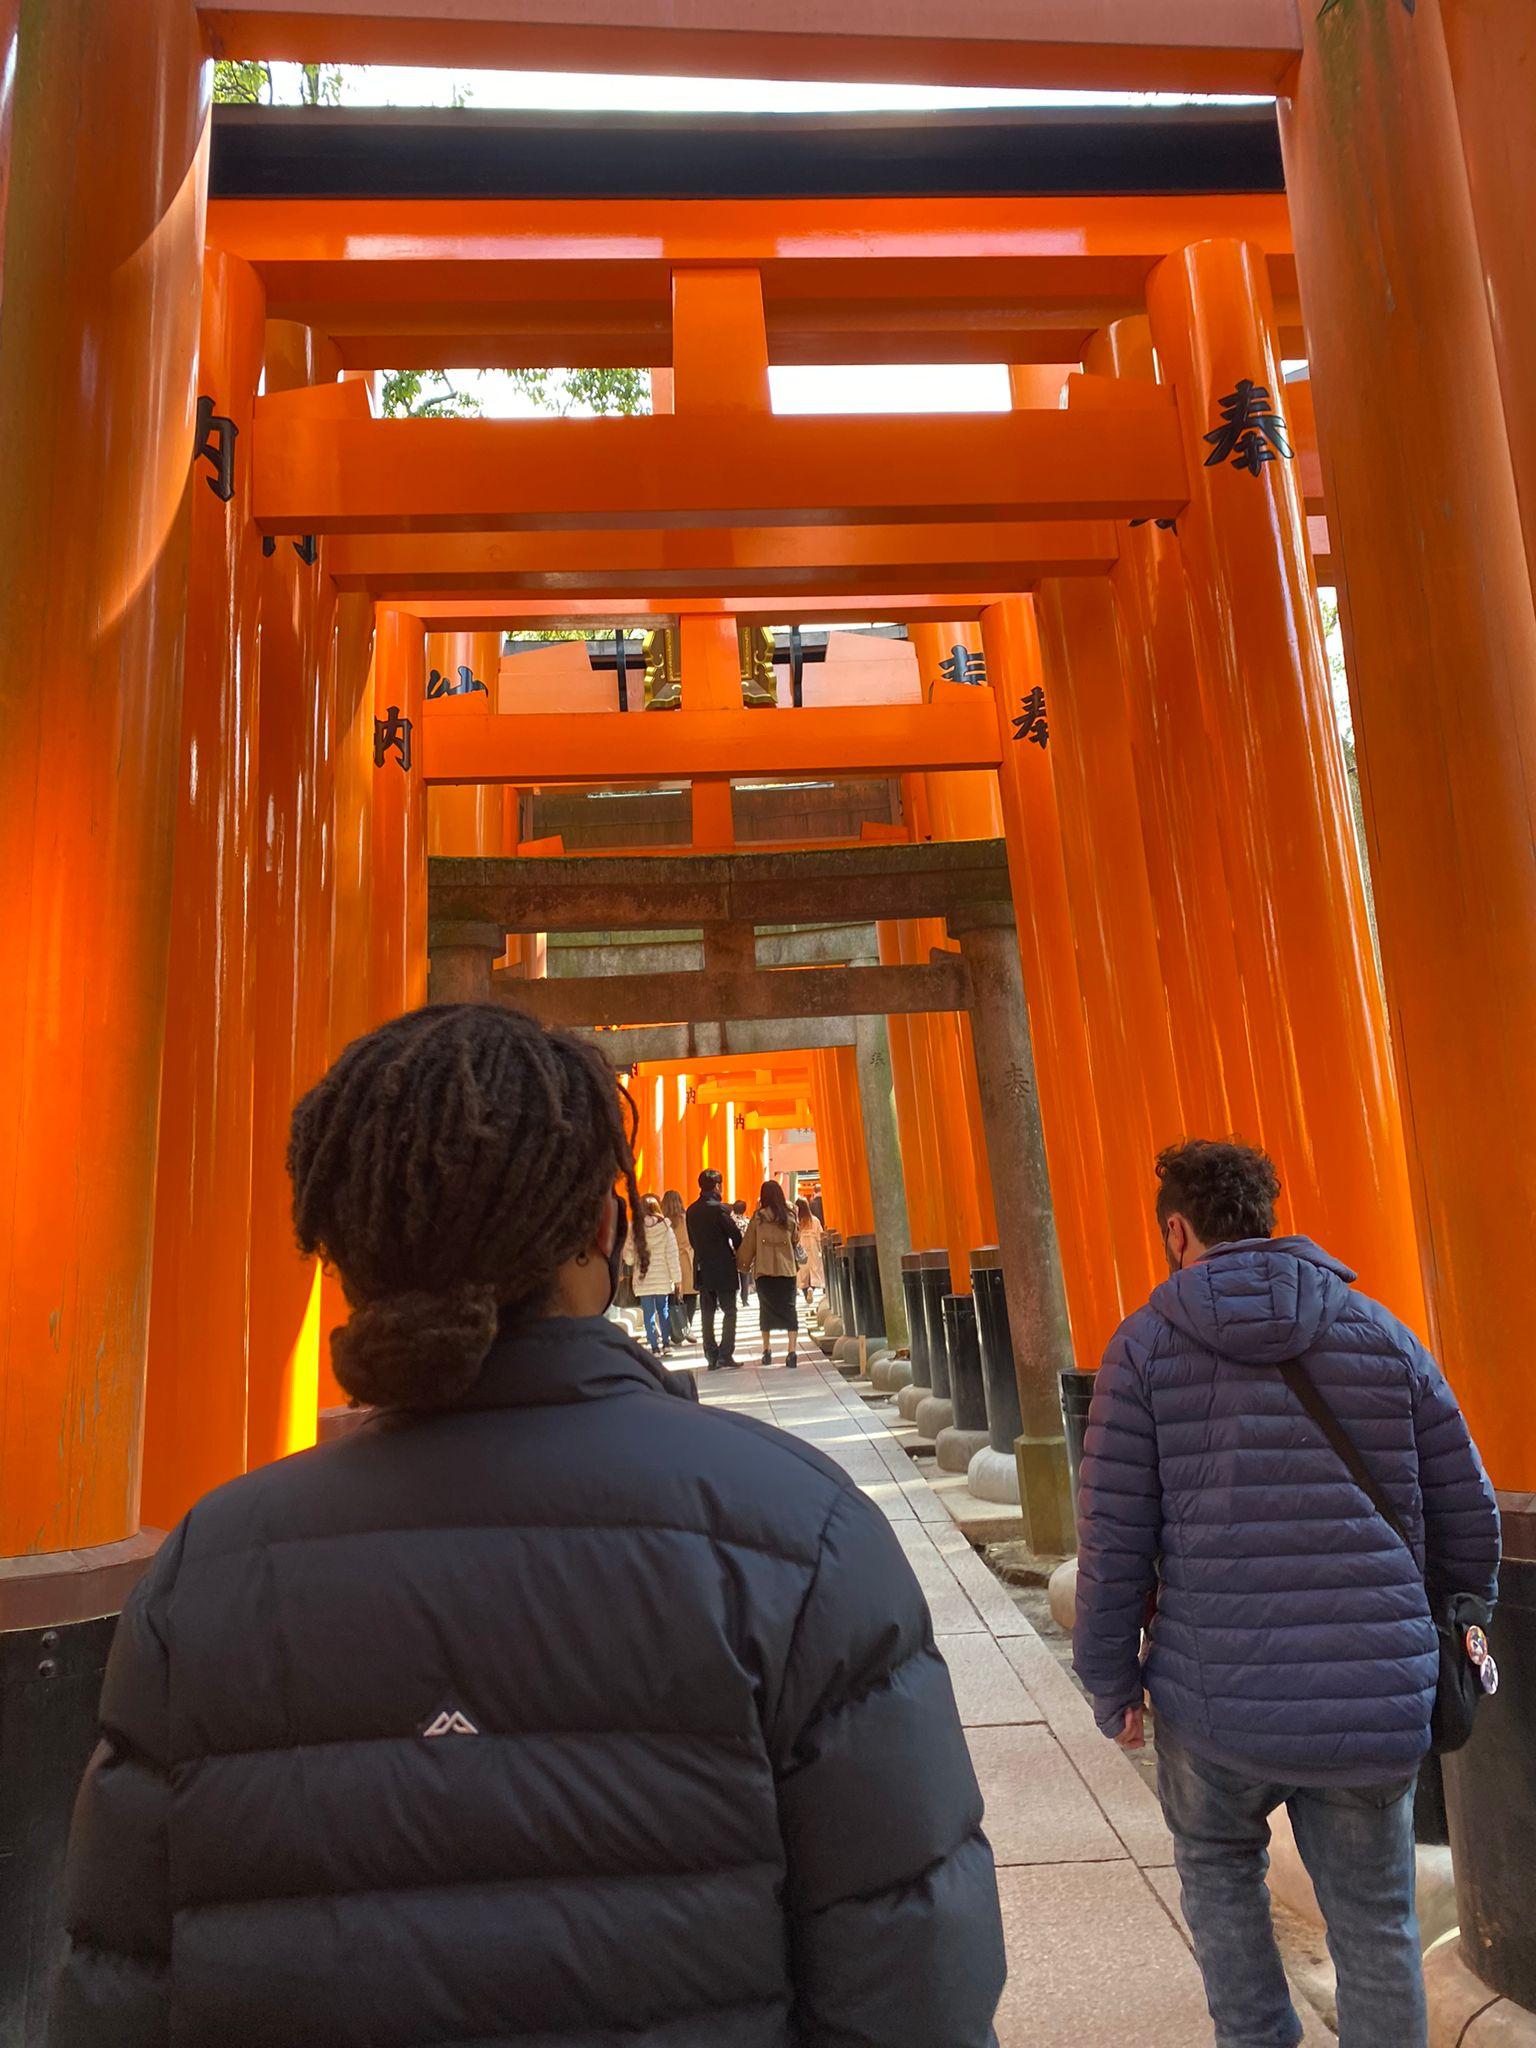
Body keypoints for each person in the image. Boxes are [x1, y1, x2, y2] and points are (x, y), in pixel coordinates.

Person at [52, 1005, 1007, 2048]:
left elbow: (121, 1980)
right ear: (604, 1229)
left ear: (341, 1248)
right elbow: (909, 1969)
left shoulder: (205, 1573)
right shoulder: (797, 1535)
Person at [1073, 1140, 1500, 2048]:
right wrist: (1456, 1622)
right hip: (1369, 1692)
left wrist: (1112, 1684)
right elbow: (1471, 1516)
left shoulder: (1142, 1351)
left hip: (1216, 1692)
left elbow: (1114, 1542)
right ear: (1267, 1219)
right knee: (1377, 1928)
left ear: (1177, 1229)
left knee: (1222, 1885)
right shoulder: (1381, 1334)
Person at [738, 1181, 803, 1370]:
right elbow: (795, 1239)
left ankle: (767, 1350)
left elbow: (749, 1242)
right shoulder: (789, 1217)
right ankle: (791, 1352)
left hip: (764, 1271)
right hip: (786, 1269)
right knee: (790, 1309)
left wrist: (742, 1264)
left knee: (766, 1310)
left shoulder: (758, 1218)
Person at [686, 1168, 743, 1371]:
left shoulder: (691, 1211)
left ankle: (710, 1354)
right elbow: (735, 1235)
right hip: (723, 1266)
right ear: (718, 1185)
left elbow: (692, 1240)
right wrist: (737, 1252)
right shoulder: (719, 1209)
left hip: (702, 1266)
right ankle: (725, 1354)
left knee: (707, 1312)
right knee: (729, 1310)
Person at [627, 1191, 682, 1356]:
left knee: (648, 1314)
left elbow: (629, 1258)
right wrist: (677, 1279)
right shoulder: (666, 1228)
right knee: (663, 1311)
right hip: (662, 1278)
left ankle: (654, 1348)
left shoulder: (635, 1230)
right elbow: (672, 1256)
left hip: (643, 1278)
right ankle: (666, 1344)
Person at [662, 1186, 696, 1338]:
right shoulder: (687, 1217)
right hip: (686, 1259)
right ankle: (687, 1325)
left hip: (668, 1260)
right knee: (690, 1295)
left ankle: (674, 1329)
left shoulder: (662, 1221)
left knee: (671, 1296)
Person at [796, 1193, 825, 1303]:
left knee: (803, 1272)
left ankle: (805, 1291)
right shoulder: (814, 1220)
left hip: (800, 1246)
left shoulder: (796, 1221)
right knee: (814, 1271)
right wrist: (820, 1249)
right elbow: (820, 1235)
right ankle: (811, 1289)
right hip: (812, 1246)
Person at [732, 1197, 752, 1306]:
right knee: (744, 1275)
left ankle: (733, 1298)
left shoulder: (730, 1221)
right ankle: (744, 1299)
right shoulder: (747, 1222)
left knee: (732, 1276)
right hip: (745, 1251)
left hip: (731, 1251)